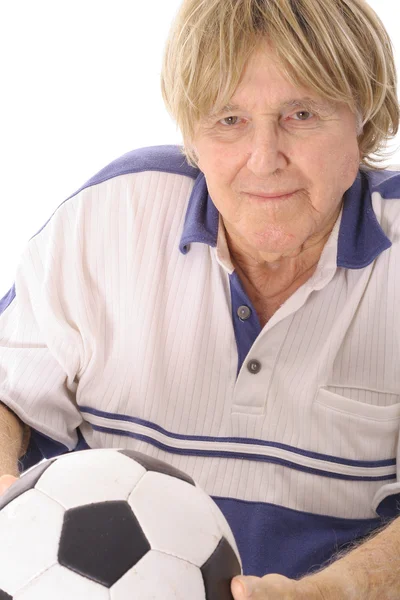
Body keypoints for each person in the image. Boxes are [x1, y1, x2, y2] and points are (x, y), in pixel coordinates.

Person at [1, 0, 400, 597]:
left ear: (364, 122)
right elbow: (8, 390)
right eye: (229, 120)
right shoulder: (110, 218)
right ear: (190, 131)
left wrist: (340, 591)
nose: (265, 160)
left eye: (301, 113)